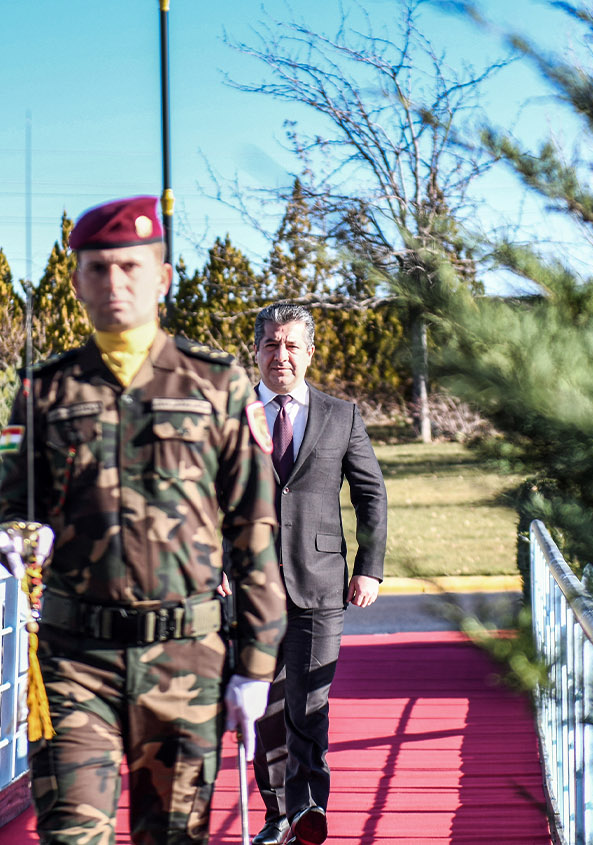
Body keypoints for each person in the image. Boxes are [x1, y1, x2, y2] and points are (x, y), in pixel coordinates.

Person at [0, 196, 287, 845]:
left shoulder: (218, 384)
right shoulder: (44, 390)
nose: (113, 282)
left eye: (130, 266)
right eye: (96, 268)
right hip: (76, 661)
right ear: (76, 282)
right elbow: (15, 506)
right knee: (72, 836)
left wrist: (257, 664)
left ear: (163, 277)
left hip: (186, 657)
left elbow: (255, 529)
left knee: (174, 838)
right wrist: (19, 535)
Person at [242, 303, 388, 845]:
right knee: (266, 710)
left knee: (309, 701)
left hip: (321, 582)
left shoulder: (340, 415)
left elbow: (371, 493)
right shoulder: (232, 418)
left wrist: (370, 568)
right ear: (256, 352)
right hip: (249, 590)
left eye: (291, 345)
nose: (281, 355)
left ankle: (307, 809)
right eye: (270, 345)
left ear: (309, 352)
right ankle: (276, 813)